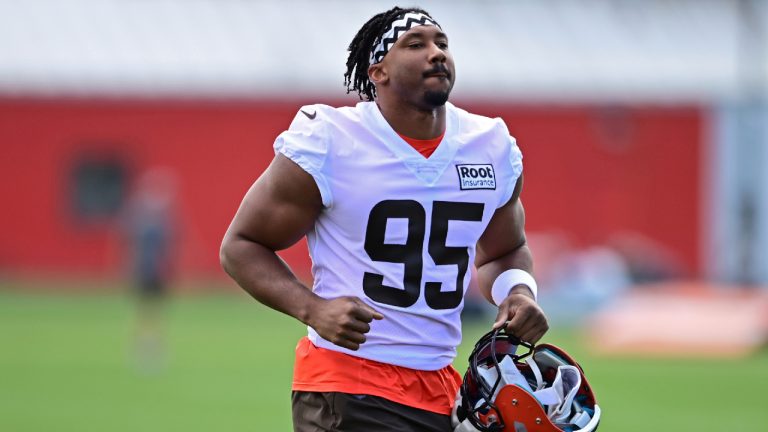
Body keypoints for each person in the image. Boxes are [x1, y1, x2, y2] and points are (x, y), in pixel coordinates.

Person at [220, 6, 548, 431]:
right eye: (416, 44)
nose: (437, 53)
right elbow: (241, 245)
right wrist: (313, 309)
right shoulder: (331, 140)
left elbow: (504, 251)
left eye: (442, 43)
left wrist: (519, 292)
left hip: (443, 386)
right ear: (378, 72)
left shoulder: (489, 146)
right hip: (347, 380)